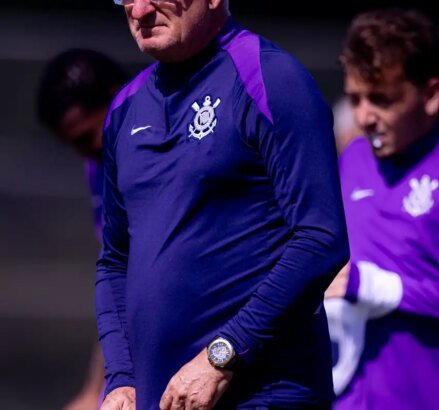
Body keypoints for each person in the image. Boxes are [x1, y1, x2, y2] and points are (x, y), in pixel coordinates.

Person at [96, 0, 349, 408]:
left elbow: (321, 239)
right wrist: (122, 378)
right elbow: (114, 261)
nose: (139, 11)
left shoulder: (270, 77)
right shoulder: (125, 108)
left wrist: (223, 355)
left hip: (261, 395)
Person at [325, 8, 439, 409]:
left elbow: (366, 284)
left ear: (431, 95)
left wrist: (382, 288)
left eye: (381, 99)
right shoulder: (353, 158)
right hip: (345, 398)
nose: (363, 117)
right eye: (355, 98)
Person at [36, 49, 129, 410]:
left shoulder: (163, 153)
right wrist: (94, 391)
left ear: (116, 97)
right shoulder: (98, 166)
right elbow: (120, 289)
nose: (84, 153)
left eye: (86, 137)